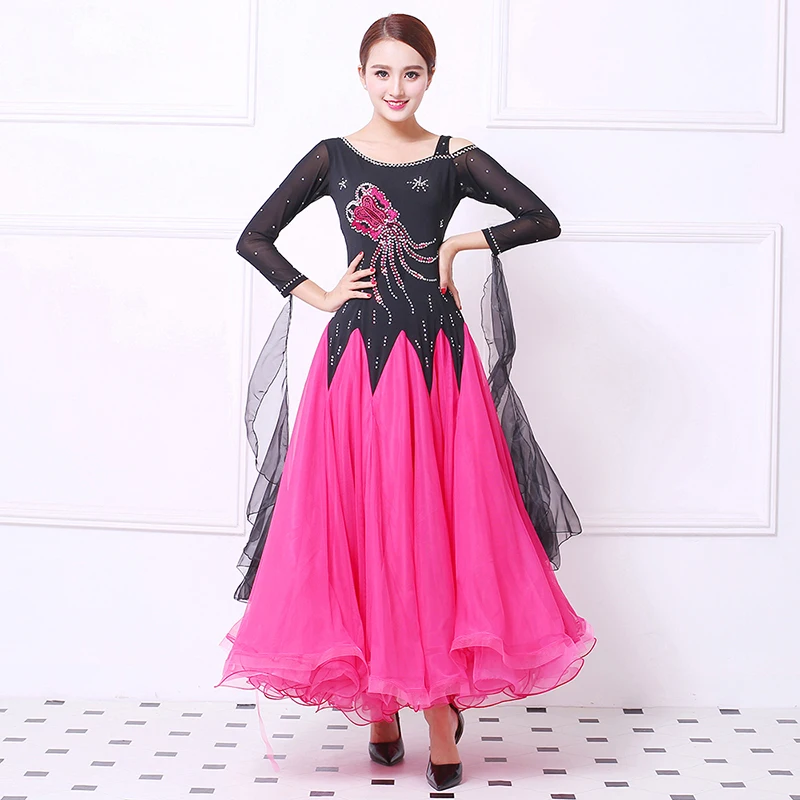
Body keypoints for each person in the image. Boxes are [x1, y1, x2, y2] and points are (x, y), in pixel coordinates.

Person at [214, 13, 596, 792]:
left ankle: (439, 711)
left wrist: (462, 244)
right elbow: (255, 237)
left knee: (433, 527)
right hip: (357, 366)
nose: (397, 88)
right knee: (367, 523)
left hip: (438, 368)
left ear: (430, 77)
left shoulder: (454, 157)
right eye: (383, 72)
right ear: (362, 75)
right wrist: (318, 292)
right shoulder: (332, 157)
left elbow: (542, 218)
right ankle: (381, 703)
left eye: (411, 73)